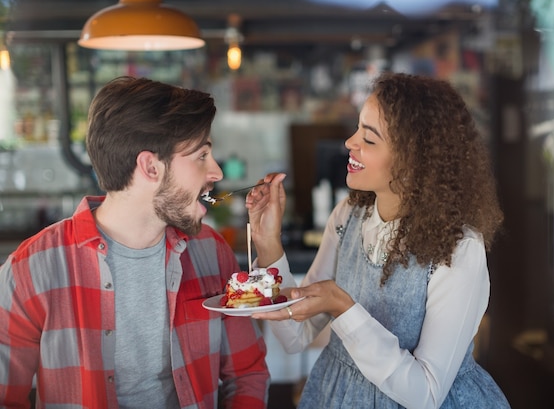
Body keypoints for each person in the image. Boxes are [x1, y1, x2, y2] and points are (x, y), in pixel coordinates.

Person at [0, 76, 270, 408]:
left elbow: (247, 374)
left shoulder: (213, 252)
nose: (215, 172)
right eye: (201, 155)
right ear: (150, 167)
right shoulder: (30, 270)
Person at [245, 72, 510, 408]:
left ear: (414, 160)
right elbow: (297, 336)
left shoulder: (459, 248)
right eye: (357, 129)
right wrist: (268, 241)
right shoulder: (348, 216)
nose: (350, 143)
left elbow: (426, 395)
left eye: (369, 140)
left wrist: (344, 308)